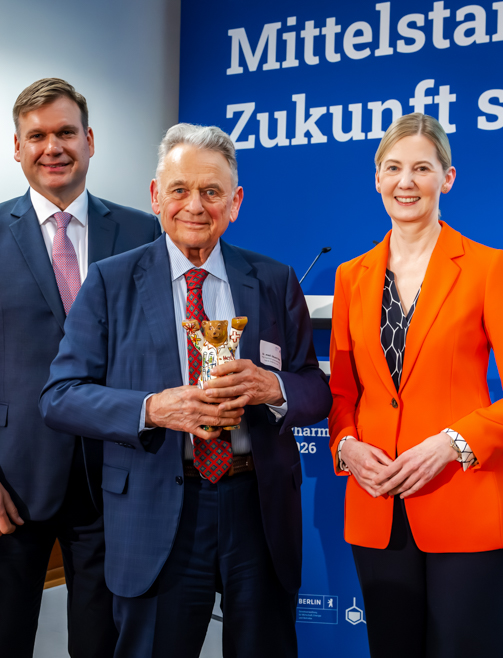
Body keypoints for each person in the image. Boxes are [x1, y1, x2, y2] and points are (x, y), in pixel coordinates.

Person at [40, 123, 331, 658]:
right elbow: (60, 395)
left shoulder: (274, 280)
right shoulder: (109, 282)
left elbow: (315, 390)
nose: (194, 205)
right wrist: (152, 408)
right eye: (179, 189)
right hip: (159, 509)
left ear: (235, 201)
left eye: (211, 191)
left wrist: (274, 387)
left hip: (257, 510)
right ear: (156, 197)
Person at [0, 78, 160, 658]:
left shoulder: (141, 232)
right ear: (17, 147)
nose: (51, 147)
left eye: (64, 133)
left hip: (116, 476)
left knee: (104, 644)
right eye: (37, 136)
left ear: (89, 140)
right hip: (6, 481)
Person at [328, 113, 503, 658]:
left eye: (422, 168)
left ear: (446, 179)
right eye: (393, 168)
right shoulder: (351, 277)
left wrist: (451, 444)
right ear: (377, 179)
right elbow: (343, 395)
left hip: (465, 506)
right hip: (378, 505)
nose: (406, 181)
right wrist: (346, 448)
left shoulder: (485, 267)